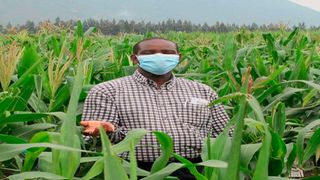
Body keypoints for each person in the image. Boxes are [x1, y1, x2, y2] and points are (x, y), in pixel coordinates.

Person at [80, 37, 230, 179]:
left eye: (167, 53)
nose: (159, 57)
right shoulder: (108, 91)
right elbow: (93, 137)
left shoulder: (203, 90)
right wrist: (107, 130)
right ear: (134, 58)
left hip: (196, 169)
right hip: (135, 170)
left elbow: (226, 133)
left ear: (179, 57)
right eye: (149, 53)